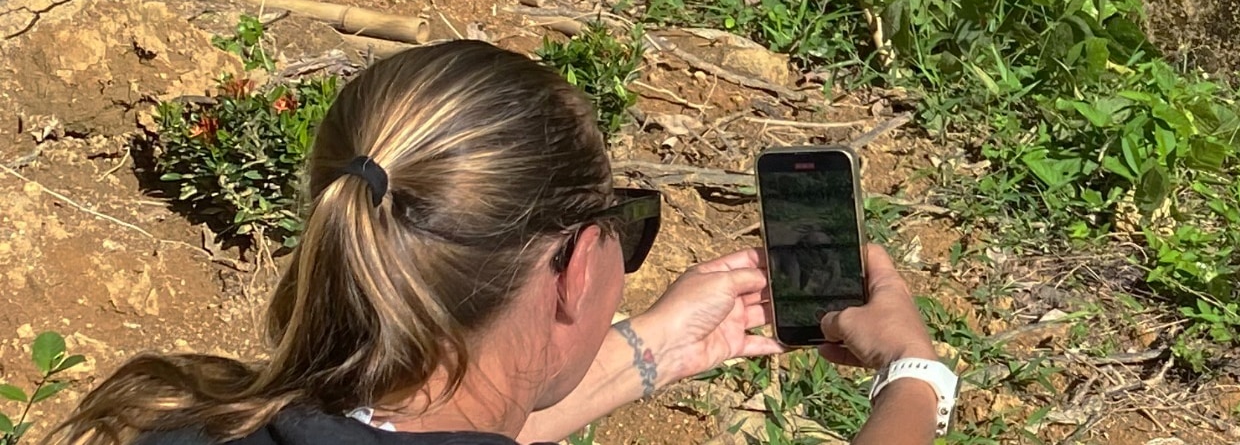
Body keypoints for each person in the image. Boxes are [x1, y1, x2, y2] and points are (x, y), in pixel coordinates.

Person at [44, 41, 951, 445]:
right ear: (574, 269)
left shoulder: (182, 428)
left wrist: (659, 348)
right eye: (620, 231)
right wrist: (916, 377)